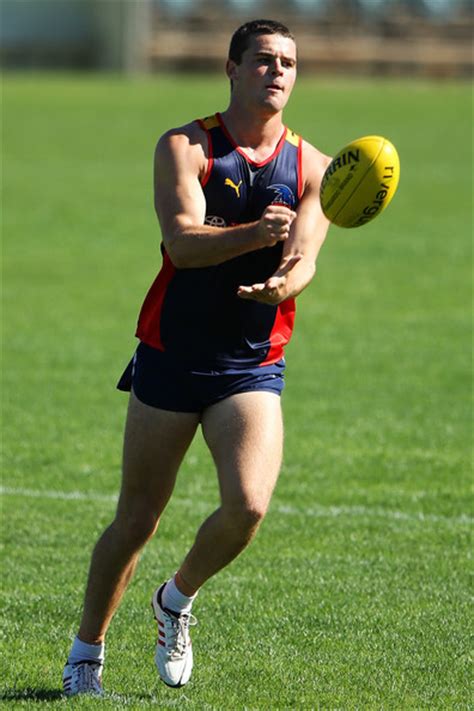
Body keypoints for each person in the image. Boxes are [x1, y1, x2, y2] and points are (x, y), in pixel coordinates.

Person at [62, 18, 331, 697]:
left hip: (251, 361)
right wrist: (252, 236)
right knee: (136, 518)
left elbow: (305, 259)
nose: (278, 72)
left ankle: (175, 599)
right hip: (172, 353)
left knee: (247, 506)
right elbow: (181, 245)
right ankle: (85, 653)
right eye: (264, 59)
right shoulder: (185, 146)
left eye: (289, 63)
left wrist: (284, 280)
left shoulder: (316, 168)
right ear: (233, 69)